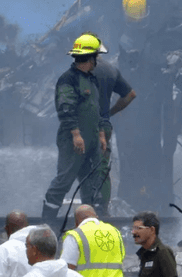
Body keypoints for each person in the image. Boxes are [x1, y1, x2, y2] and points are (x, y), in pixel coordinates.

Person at [41, 34, 107, 223]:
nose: (98, 61)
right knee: (63, 181)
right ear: (90, 58)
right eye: (96, 56)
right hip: (73, 142)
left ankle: (90, 223)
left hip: (92, 141)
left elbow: (98, 110)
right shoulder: (68, 80)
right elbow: (65, 108)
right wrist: (76, 134)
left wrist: (101, 134)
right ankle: (48, 224)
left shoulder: (92, 80)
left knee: (91, 184)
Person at [89, 33, 136, 215]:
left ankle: (87, 209)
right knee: (102, 167)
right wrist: (110, 112)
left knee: (80, 167)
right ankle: (102, 209)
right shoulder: (110, 70)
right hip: (103, 123)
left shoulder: (77, 71)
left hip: (81, 127)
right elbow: (131, 94)